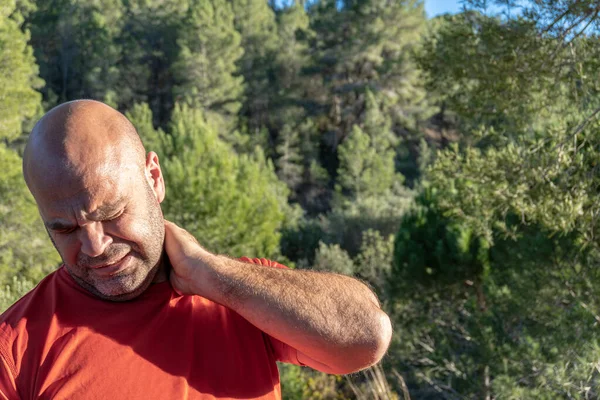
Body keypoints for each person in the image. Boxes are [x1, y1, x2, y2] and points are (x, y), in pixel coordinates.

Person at [0, 100, 392, 399]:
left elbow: (366, 338)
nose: (95, 245)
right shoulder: (14, 348)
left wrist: (212, 276)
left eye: (112, 212)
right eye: (66, 228)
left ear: (154, 179)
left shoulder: (240, 293)